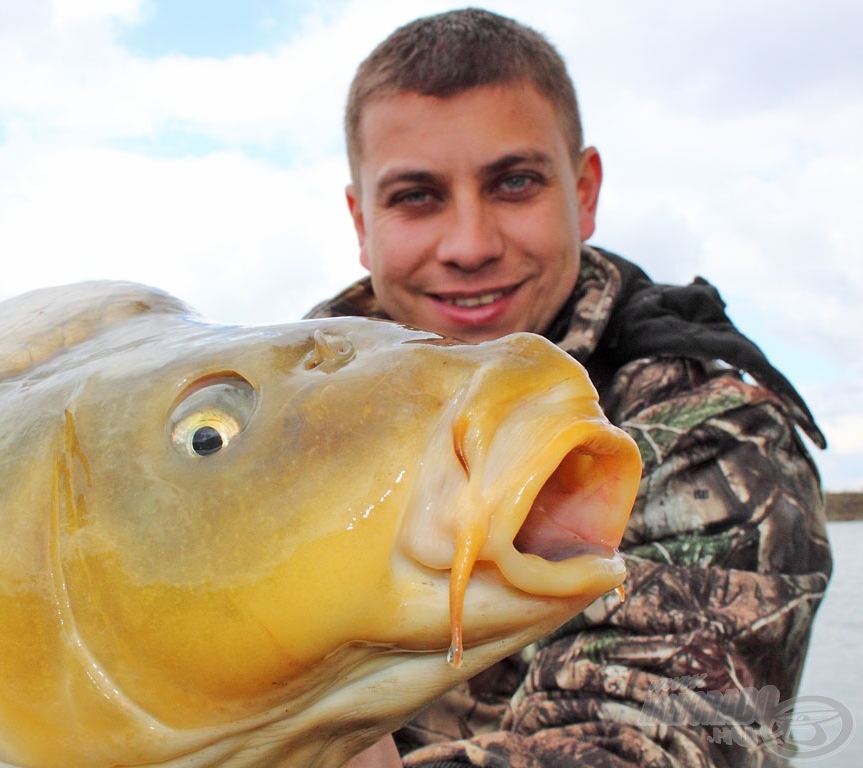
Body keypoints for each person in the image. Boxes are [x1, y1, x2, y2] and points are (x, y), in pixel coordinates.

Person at [307, 8, 832, 767]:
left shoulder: (709, 438)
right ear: (361, 220)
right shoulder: (285, 417)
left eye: (514, 183)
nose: (470, 245)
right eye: (417, 196)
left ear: (583, 192)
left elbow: (652, 740)